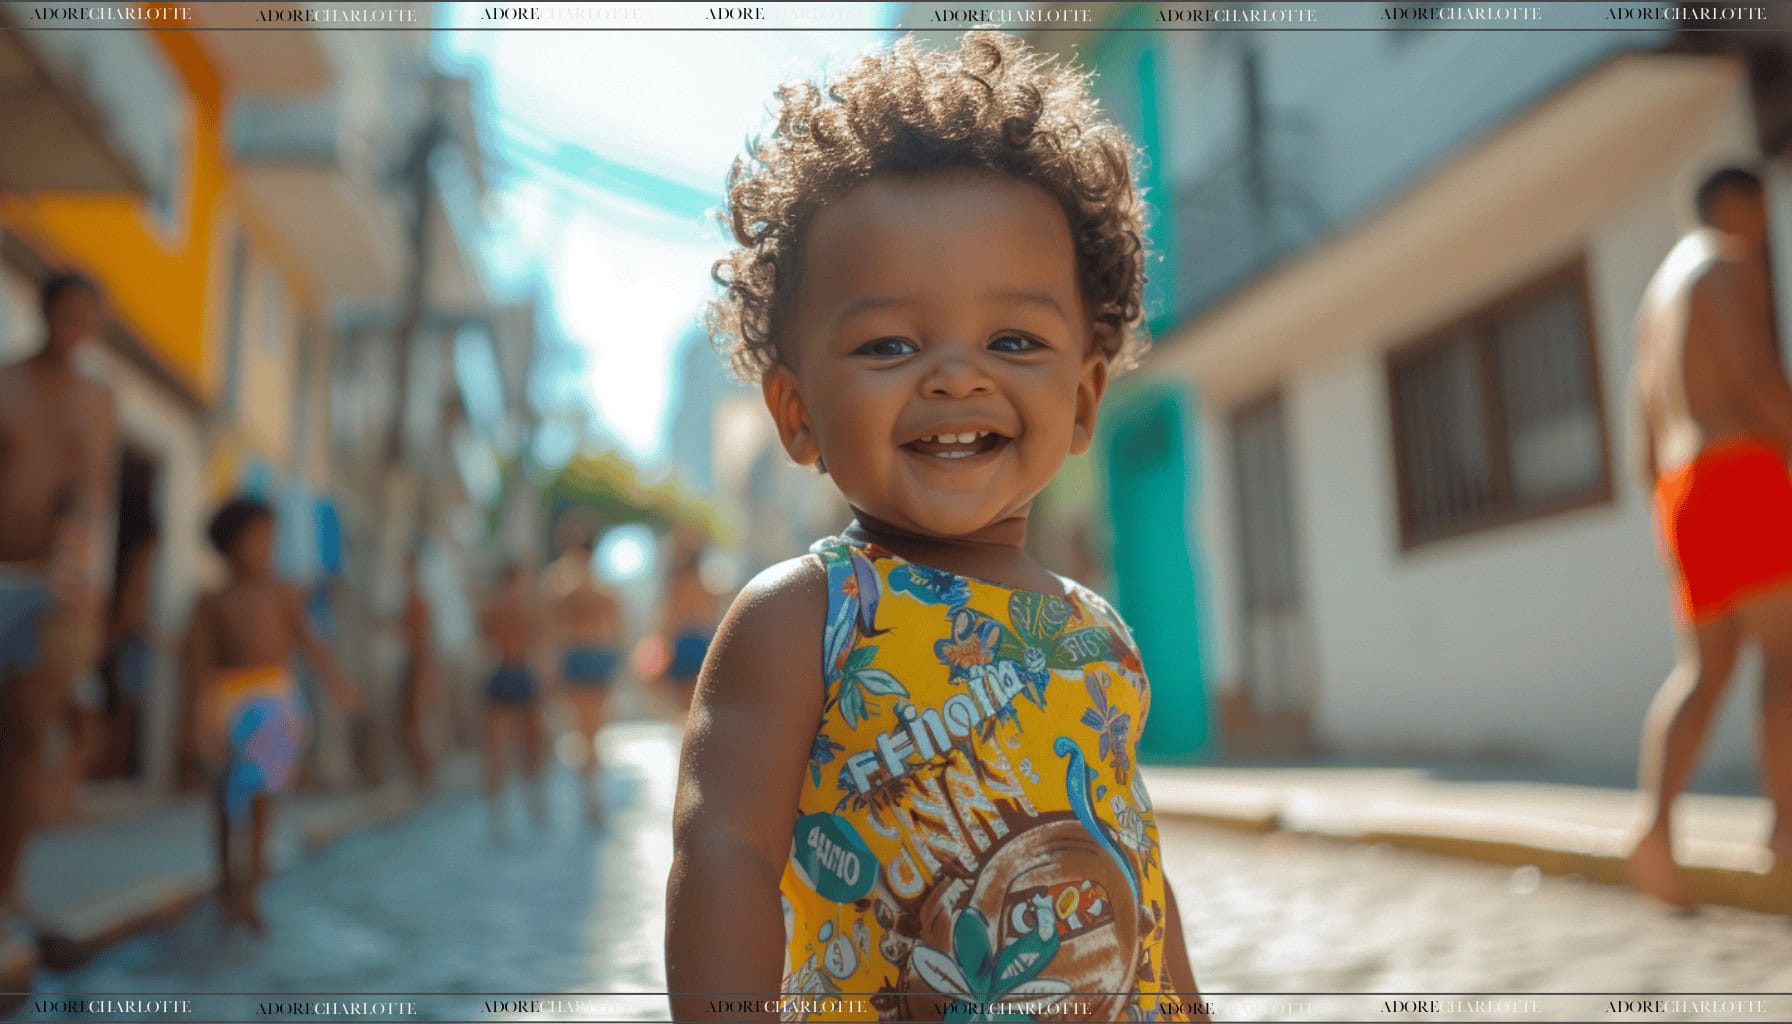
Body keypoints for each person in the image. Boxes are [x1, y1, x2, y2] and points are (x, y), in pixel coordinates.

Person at [665, 33, 1205, 1022]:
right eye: (888, 343)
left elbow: (1142, 875)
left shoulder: (1100, 633)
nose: (957, 375)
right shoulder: (807, 618)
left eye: (1012, 339)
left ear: (1083, 398)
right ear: (795, 411)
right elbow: (724, 853)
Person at [1629, 164, 1792, 909]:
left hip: (1681, 487)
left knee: (1705, 669)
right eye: (1759, 210)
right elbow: (1757, 380)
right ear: (1737, 204)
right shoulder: (1726, 264)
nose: (1764, 228)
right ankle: (1788, 826)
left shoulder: (1656, 297)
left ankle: (1655, 834)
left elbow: (1642, 431)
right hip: (1741, 470)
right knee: (1786, 656)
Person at [183, 496, 363, 934]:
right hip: (227, 702)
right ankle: (227, 886)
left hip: (275, 701)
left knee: (264, 800)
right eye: (257, 538)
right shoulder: (212, 600)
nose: (266, 547)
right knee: (225, 803)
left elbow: (311, 643)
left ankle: (252, 888)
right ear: (230, 544)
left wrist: (338, 683)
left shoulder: (283, 593)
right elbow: (197, 666)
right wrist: (194, 719)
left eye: (270, 538)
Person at [0, 272, 116, 929]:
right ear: (43, 312)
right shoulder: (6, 382)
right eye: (65, 312)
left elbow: (92, 496)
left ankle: (7, 885)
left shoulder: (98, 399)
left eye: (86, 315)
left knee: (26, 738)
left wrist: (81, 587)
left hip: (49, 587)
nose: (74, 325)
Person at [545, 514, 624, 824]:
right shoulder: (603, 584)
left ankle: (590, 795)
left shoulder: (557, 581)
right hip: (596, 655)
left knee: (583, 732)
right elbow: (616, 628)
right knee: (593, 732)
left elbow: (550, 631)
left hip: (578, 656)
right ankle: (593, 797)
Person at [479, 563, 547, 840]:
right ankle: (535, 805)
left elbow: (484, 642)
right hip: (520, 672)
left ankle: (499, 815)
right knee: (530, 743)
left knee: (499, 747)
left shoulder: (491, 606)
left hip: (501, 672)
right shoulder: (527, 606)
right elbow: (540, 643)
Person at [99, 516, 163, 778]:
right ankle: (112, 768)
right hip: (130, 644)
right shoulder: (143, 563)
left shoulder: (150, 563)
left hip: (130, 643)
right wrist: (158, 636)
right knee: (122, 710)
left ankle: (115, 767)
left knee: (126, 710)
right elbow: (130, 611)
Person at [654, 530, 719, 719]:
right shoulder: (707, 584)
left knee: (683, 701)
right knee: (699, 700)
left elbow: (669, 618)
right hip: (703, 642)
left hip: (681, 642)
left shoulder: (676, 584)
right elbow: (713, 618)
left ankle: (685, 740)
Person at [395, 550, 438, 794]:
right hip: (416, 662)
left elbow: (419, 635)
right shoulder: (414, 595)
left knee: (416, 724)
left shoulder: (418, 597)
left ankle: (425, 777)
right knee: (412, 723)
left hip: (419, 663)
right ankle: (422, 776)